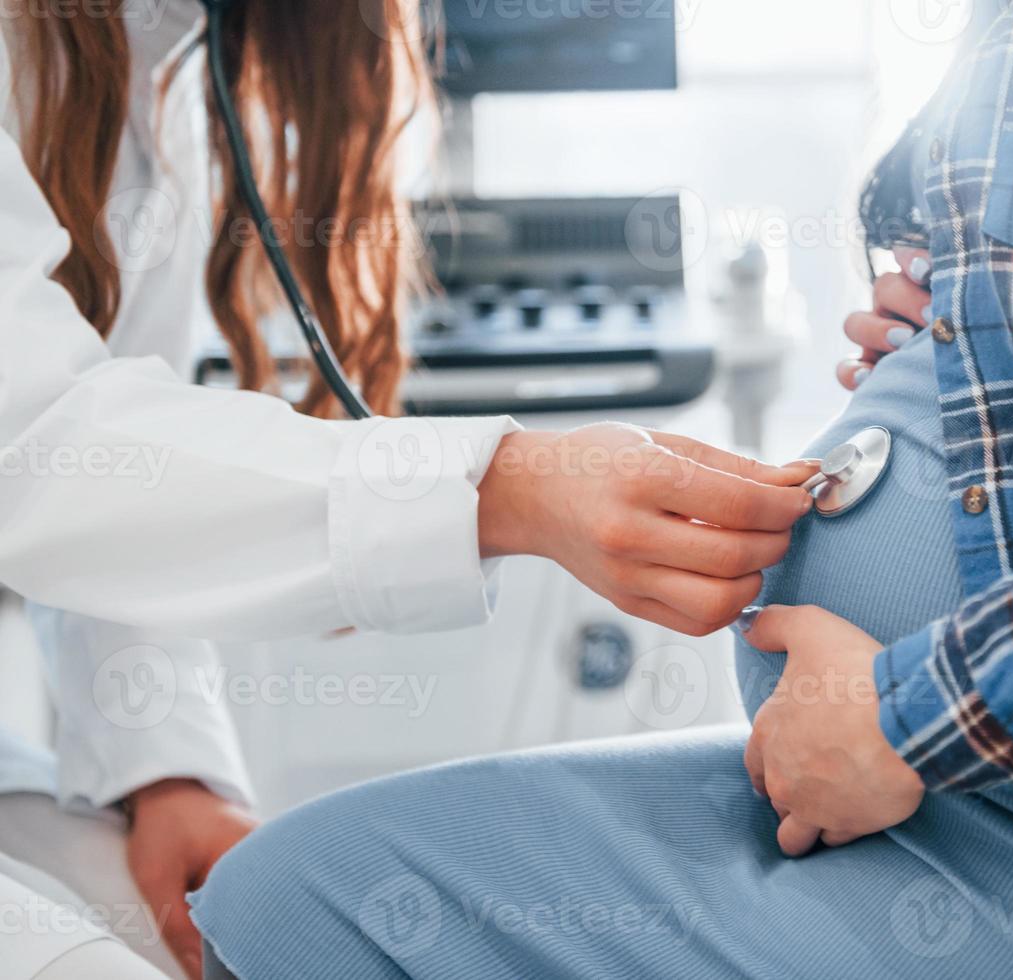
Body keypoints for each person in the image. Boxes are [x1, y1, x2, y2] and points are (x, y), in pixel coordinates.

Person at [189, 0, 1013, 977]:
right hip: (971, 773)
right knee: (283, 894)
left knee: (325, 920)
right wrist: (989, 328)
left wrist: (912, 718)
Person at [0, 3, 814, 978]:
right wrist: (506, 491)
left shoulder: (154, 80)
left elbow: (116, 471)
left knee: (216, 944)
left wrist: (163, 768)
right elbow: (36, 438)